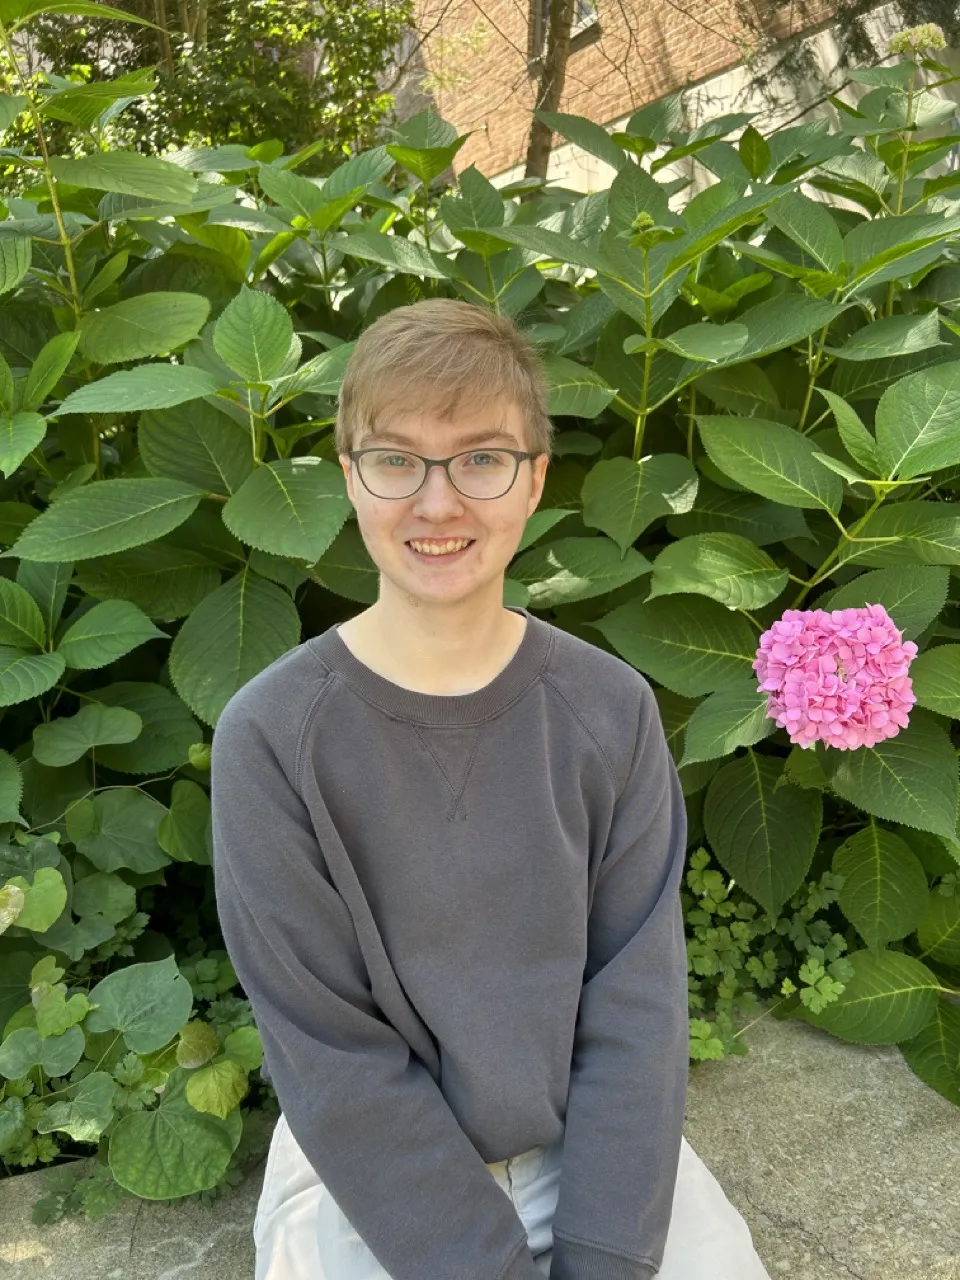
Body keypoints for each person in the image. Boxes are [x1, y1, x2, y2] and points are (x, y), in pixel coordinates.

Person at [210, 297, 771, 1280]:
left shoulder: (611, 709)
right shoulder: (269, 738)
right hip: (370, 1173)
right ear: (349, 476)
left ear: (535, 478)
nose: (437, 503)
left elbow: (635, 1009)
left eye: (480, 457)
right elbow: (334, 1058)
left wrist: (603, 1253)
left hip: (581, 1140)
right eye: (396, 459)